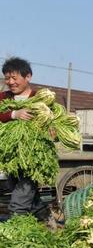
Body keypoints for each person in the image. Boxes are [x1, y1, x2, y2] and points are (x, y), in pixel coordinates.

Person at [0, 57, 52, 222]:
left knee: (18, 202)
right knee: (26, 194)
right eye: (7, 78)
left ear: (28, 76)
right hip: (12, 159)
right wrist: (14, 114)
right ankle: (46, 219)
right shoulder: (4, 98)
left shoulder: (41, 99)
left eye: (14, 78)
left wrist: (52, 130)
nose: (10, 82)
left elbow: (55, 120)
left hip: (33, 159)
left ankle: (16, 237)